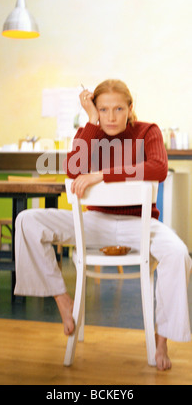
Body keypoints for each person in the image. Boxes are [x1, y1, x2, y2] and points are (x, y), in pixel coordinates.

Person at [14, 79, 192, 371]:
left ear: (130, 108)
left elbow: (158, 168)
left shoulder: (148, 131)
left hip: (141, 224)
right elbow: (72, 169)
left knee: (178, 254)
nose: (111, 116)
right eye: (103, 109)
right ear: (94, 110)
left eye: (118, 108)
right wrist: (90, 123)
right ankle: (63, 301)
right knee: (27, 222)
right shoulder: (90, 132)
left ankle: (162, 339)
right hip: (95, 222)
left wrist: (103, 175)